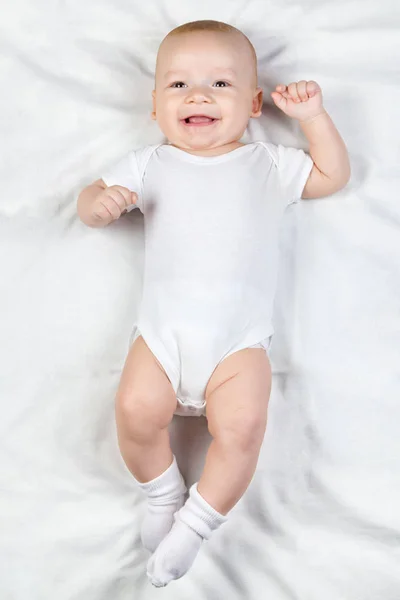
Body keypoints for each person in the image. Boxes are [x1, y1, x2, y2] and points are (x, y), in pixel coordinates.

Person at [77, 20, 350, 587]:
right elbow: (90, 194)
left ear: (254, 104)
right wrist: (98, 205)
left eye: (220, 85)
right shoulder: (149, 163)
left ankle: (197, 523)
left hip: (237, 344)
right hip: (161, 338)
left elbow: (331, 175)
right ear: (155, 106)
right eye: (178, 86)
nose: (198, 95)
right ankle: (162, 492)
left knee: (245, 425)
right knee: (133, 409)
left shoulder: (269, 164)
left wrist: (312, 120)